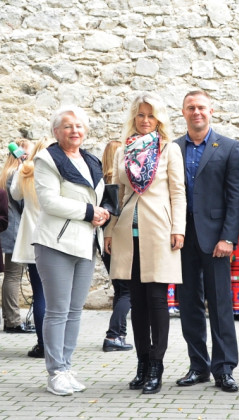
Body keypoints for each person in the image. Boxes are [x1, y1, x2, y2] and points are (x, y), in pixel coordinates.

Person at [104, 92, 186, 394]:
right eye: (140, 114)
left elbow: (178, 192)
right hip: (128, 232)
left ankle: (156, 365)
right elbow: (116, 194)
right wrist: (109, 231)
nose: (145, 120)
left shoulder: (169, 149)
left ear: (159, 119)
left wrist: (179, 228)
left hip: (160, 231)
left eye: (151, 115)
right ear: (134, 117)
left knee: (157, 300)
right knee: (136, 302)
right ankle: (141, 363)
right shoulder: (123, 150)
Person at [33, 105, 109, 396]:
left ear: (85, 130)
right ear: (56, 131)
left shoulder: (90, 160)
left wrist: (103, 212)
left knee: (75, 311)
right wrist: (90, 211)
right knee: (57, 310)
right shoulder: (47, 159)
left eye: (78, 126)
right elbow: (49, 201)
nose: (74, 130)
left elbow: (98, 196)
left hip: (86, 243)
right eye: (67, 126)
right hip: (56, 243)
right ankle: (55, 373)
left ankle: (65, 366)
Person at [174, 90, 239, 393]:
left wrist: (229, 237)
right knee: (188, 303)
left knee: (220, 304)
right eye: (191, 107)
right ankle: (198, 366)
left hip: (217, 238)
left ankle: (224, 368)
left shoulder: (228, 147)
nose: (196, 112)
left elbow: (236, 196)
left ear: (211, 111)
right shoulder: (173, 148)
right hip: (181, 237)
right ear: (183, 112)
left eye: (201, 107)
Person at [10, 139, 53, 359]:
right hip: (57, 238)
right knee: (58, 295)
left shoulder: (26, 171)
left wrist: (21, 168)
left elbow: (15, 194)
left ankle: (43, 344)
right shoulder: (60, 170)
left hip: (34, 240)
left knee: (40, 293)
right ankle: (57, 344)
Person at [99, 140, 133, 352]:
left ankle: (119, 333)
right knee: (128, 290)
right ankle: (113, 335)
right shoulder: (118, 182)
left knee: (120, 289)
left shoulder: (99, 179)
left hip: (104, 240)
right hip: (118, 238)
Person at [0, 139, 35, 334]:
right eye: (28, 155)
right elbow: (23, 204)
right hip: (16, 231)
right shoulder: (16, 174)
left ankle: (10, 319)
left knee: (11, 275)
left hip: (10, 231)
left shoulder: (6, 173)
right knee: (13, 276)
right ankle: (12, 321)